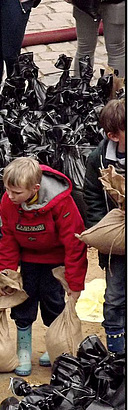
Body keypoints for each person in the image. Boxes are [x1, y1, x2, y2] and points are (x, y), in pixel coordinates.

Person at [0, 157, 88, 376]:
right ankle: (24, 350)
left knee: (53, 303)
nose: (10, 196)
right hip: (28, 260)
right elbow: (7, 238)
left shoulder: (61, 203)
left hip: (54, 262)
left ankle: (53, 344)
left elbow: (75, 243)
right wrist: (5, 273)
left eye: (16, 192)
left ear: (35, 188)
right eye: (7, 190)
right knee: (22, 302)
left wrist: (74, 283)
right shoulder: (9, 202)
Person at [83, 98, 126, 355]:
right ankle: (117, 356)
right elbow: (92, 197)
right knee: (114, 297)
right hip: (116, 245)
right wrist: (103, 231)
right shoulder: (98, 158)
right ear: (112, 135)